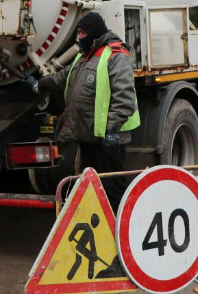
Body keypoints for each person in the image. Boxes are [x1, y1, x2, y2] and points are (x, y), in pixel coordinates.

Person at [37, 12, 140, 214]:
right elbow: (61, 78)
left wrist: (112, 130)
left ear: (93, 33)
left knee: (112, 188)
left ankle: (121, 230)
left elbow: (124, 99)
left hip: (108, 139)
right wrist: (37, 84)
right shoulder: (83, 57)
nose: (79, 37)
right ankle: (101, 227)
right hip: (88, 137)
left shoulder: (116, 55)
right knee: (93, 187)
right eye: (78, 33)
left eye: (83, 33)